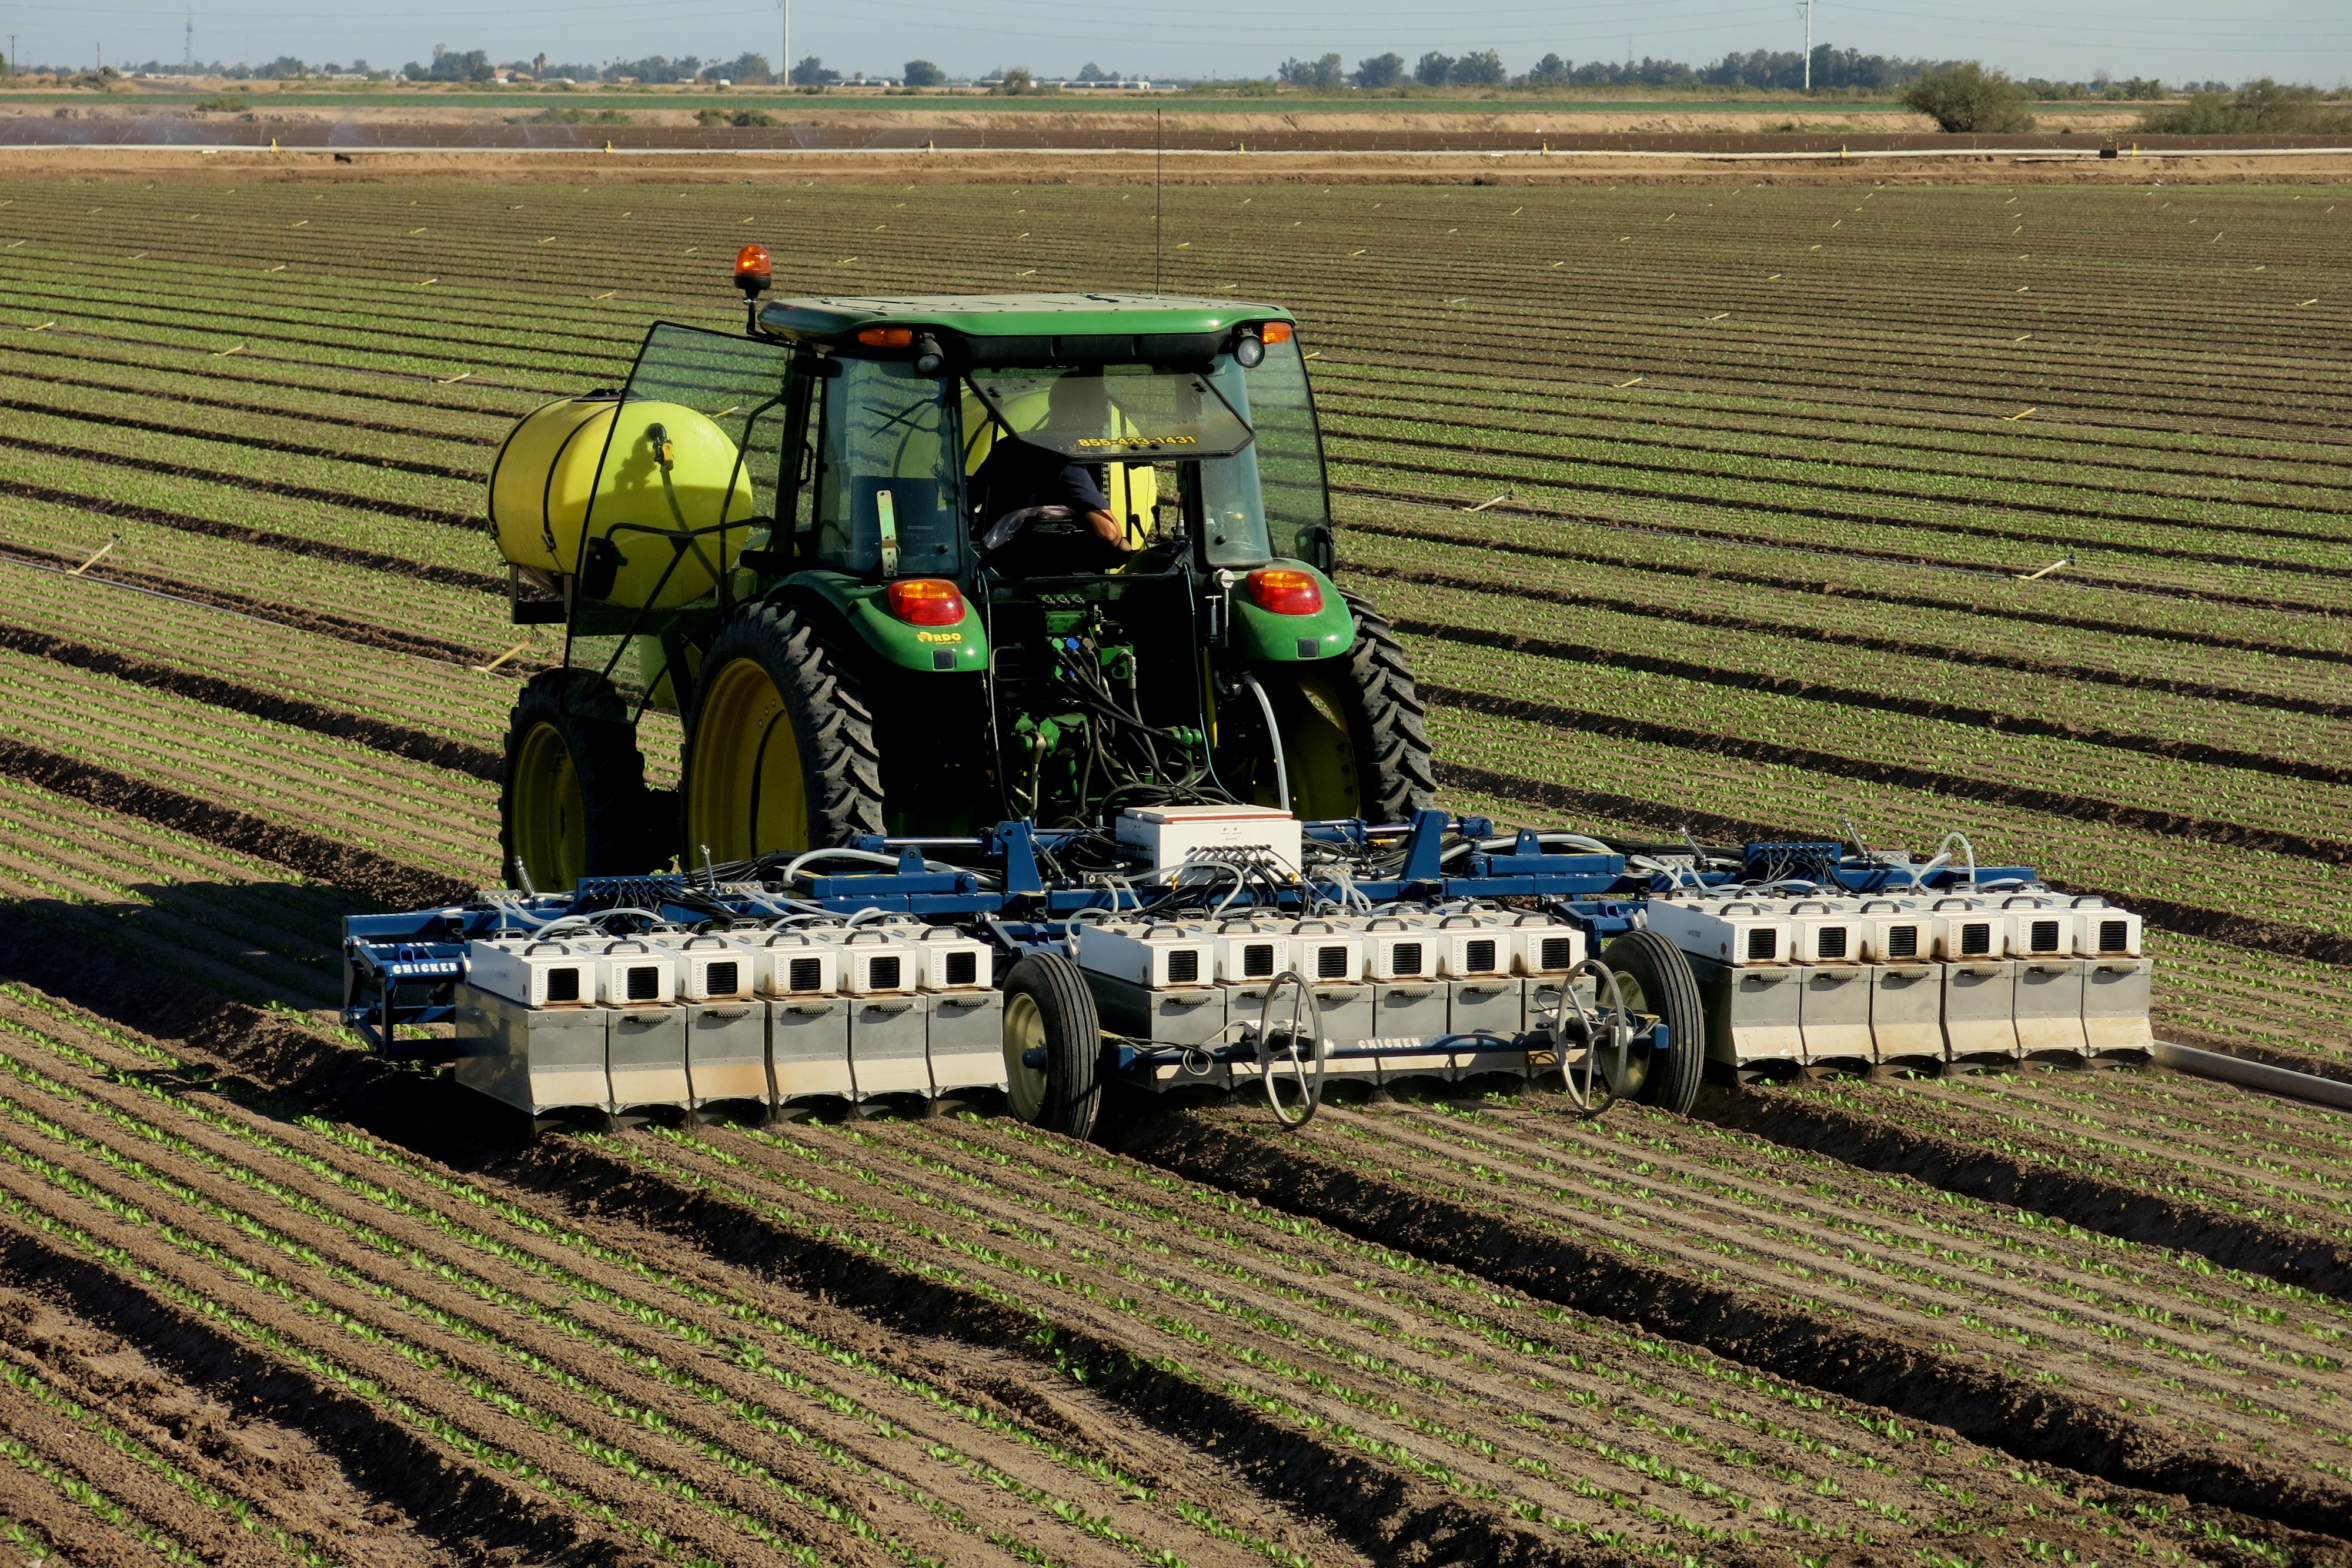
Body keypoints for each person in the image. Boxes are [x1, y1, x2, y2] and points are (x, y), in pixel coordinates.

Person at [973, 373, 1137, 576]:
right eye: (1101, 408)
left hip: (993, 572)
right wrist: (1125, 546)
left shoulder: (1008, 446)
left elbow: (969, 498)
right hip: (1047, 576)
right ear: (1075, 411)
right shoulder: (1064, 460)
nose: (1105, 417)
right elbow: (1108, 533)